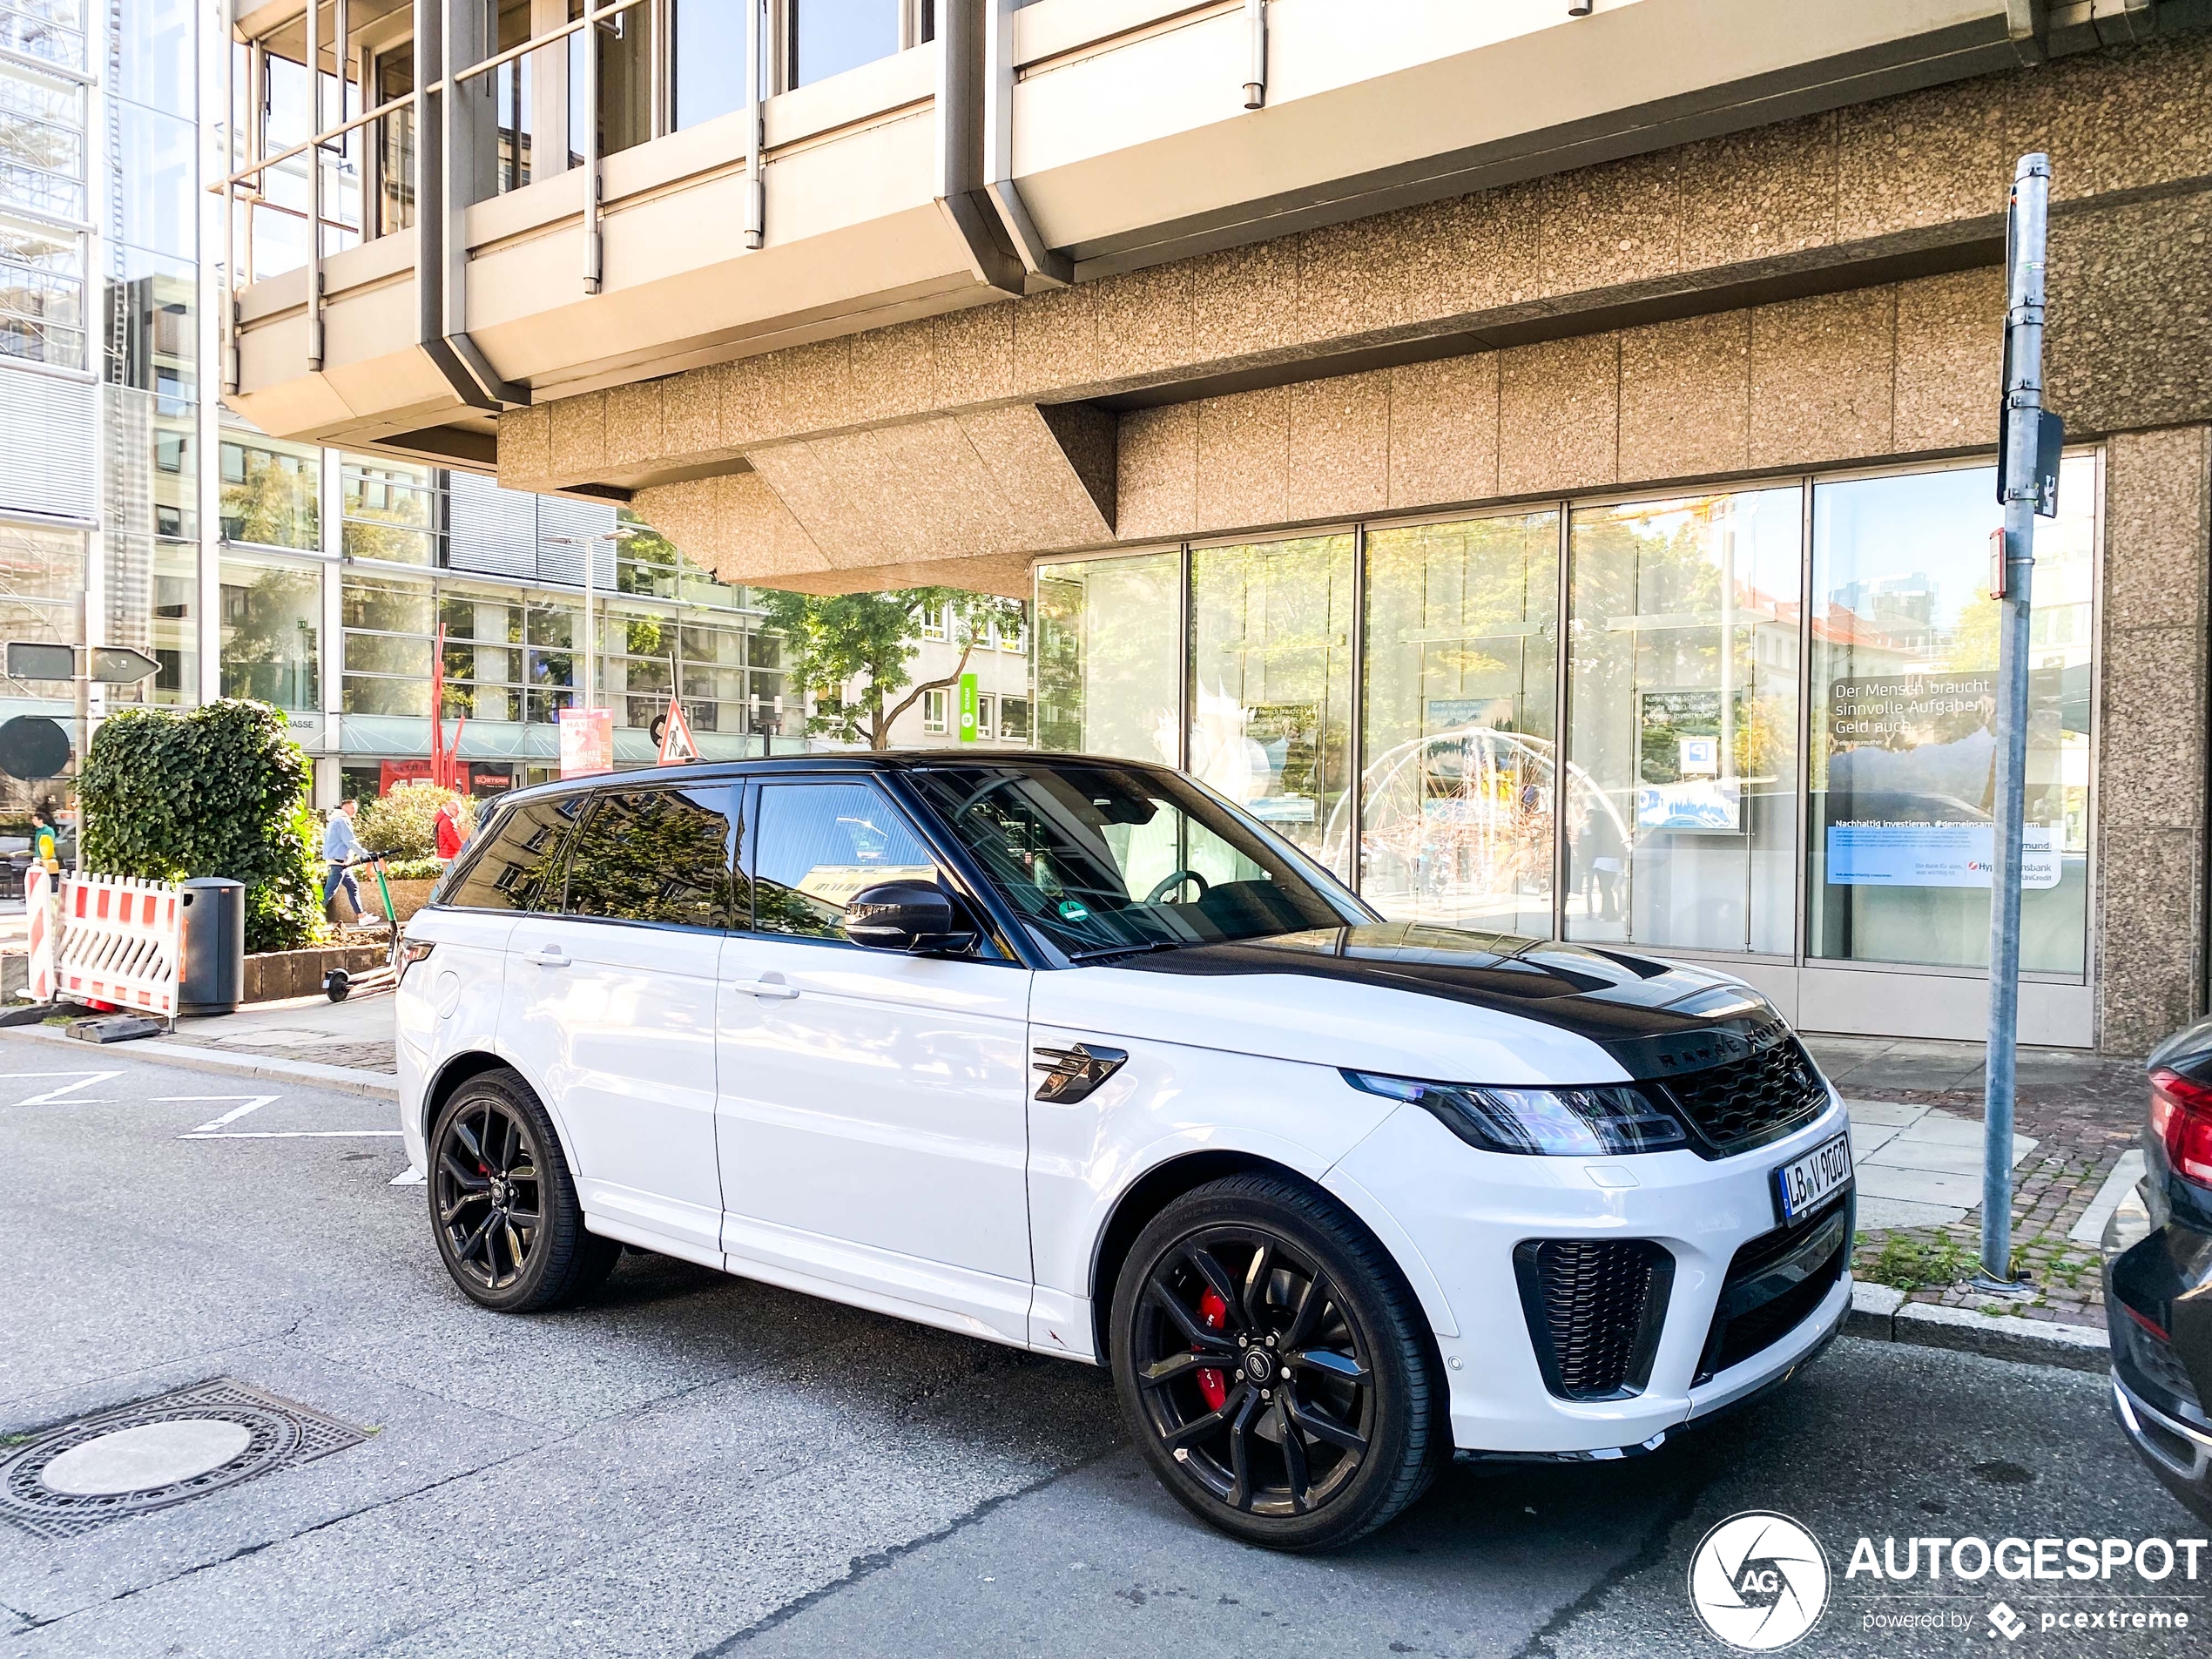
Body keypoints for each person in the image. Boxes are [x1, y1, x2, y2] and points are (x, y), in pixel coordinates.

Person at [323, 798, 374, 920]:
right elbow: (350, 841)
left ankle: (362, 916)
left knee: (353, 886)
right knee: (330, 891)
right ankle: (312, 916)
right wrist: (365, 855)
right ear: (343, 807)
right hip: (339, 862)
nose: (354, 810)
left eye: (355, 808)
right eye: (351, 807)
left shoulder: (333, 820)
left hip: (341, 862)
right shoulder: (342, 820)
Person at [434, 795, 467, 864]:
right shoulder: (448, 821)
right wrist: (467, 847)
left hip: (446, 856)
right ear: (449, 809)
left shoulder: (443, 819)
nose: (458, 813)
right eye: (456, 810)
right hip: (450, 858)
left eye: (459, 810)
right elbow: (456, 843)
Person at [30, 806, 57, 873]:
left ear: (40, 820)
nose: (33, 820)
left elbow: (50, 844)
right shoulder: (35, 831)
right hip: (37, 857)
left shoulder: (48, 831)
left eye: (35, 819)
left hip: (47, 858)